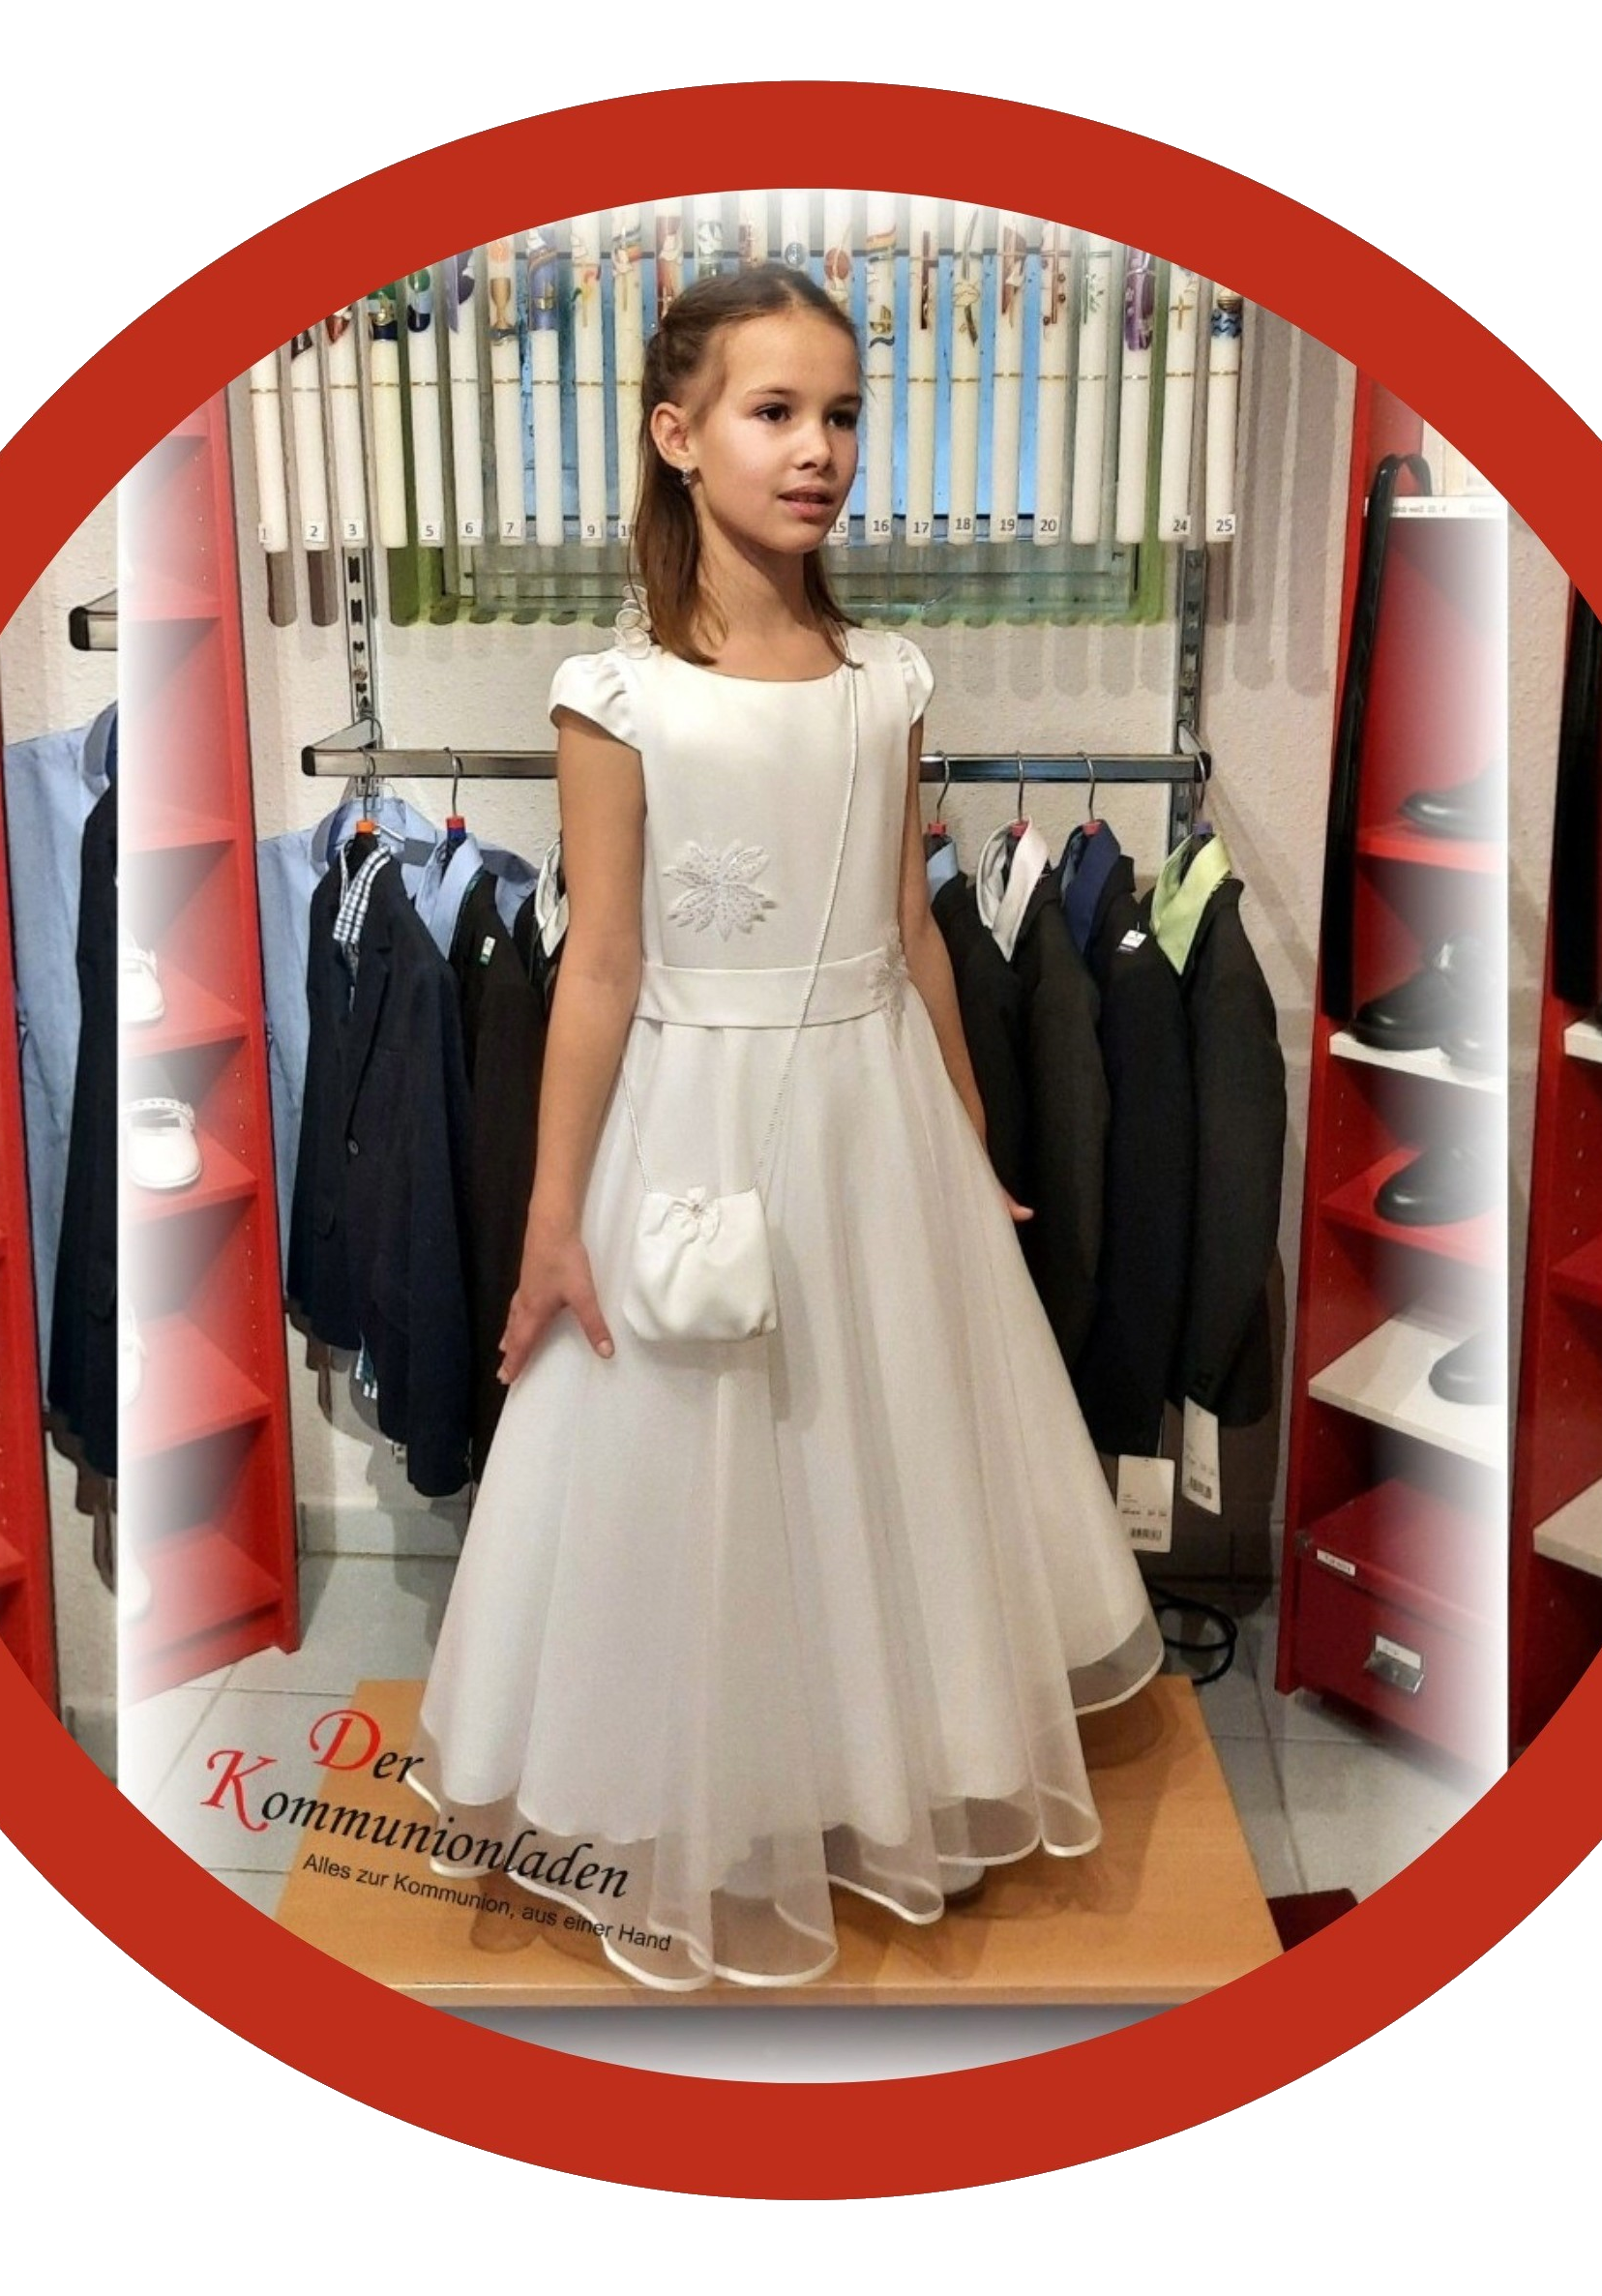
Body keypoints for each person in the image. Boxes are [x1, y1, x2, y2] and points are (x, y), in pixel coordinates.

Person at [404, 263, 1162, 1991]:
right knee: (700, 1468)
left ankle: (864, 1771)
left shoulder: (887, 678)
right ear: (677, 436)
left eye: (841, 416)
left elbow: (909, 929)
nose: (817, 448)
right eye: (774, 412)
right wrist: (552, 1219)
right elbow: (599, 966)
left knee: (871, 1452)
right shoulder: (616, 695)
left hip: (873, 1121)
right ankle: (699, 1782)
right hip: (695, 1114)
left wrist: (965, 1136)